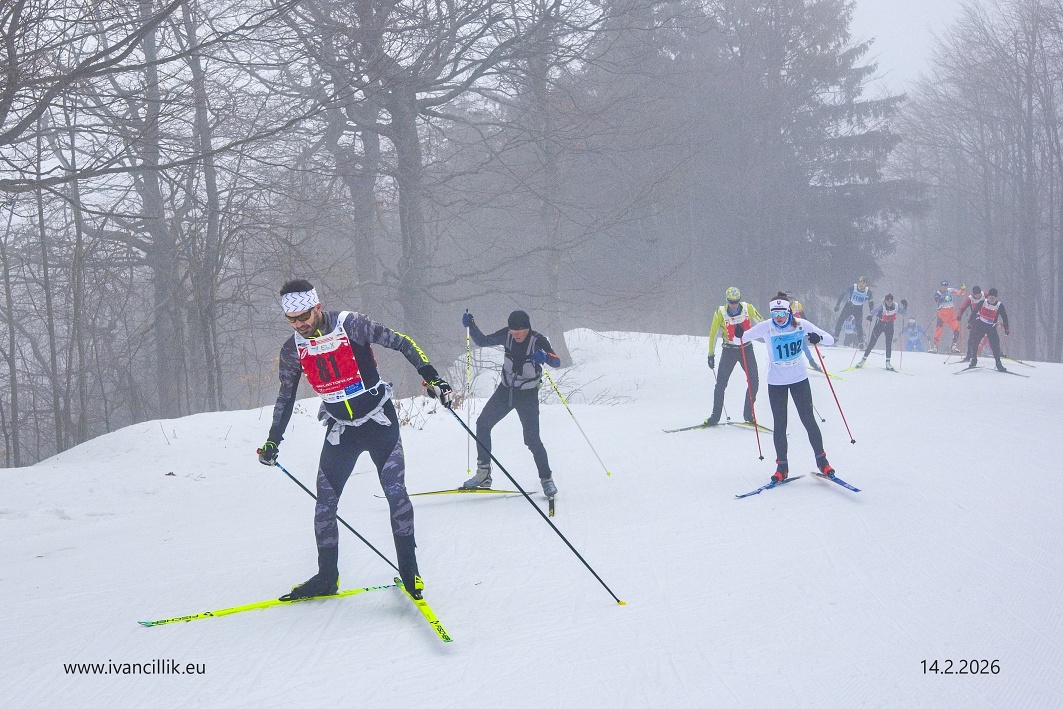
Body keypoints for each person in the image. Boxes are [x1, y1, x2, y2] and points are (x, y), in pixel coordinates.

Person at [258, 279, 453, 601]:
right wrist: (272, 441)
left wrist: (432, 376)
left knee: (396, 495)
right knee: (324, 504)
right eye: (291, 319)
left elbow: (402, 342)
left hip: (379, 422)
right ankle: (326, 577)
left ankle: (410, 573)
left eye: (304, 316)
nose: (299, 324)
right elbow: (285, 396)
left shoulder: (351, 324)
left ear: (317, 307)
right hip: (341, 430)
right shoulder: (292, 349)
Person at [735, 293, 838, 483]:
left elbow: (830, 339)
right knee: (780, 424)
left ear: (788, 311)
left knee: (808, 420)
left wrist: (818, 338)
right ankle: (782, 467)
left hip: (799, 380)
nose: (779, 318)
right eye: (775, 314)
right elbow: (738, 340)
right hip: (776, 383)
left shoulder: (800, 324)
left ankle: (823, 462)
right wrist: (739, 333)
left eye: (782, 313)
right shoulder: (766, 326)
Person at [460, 309, 562, 496]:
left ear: (527, 328)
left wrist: (545, 356)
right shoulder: (507, 335)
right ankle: (483, 474)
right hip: (505, 391)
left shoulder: (537, 340)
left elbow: (557, 362)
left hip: (527, 395)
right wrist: (472, 326)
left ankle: (547, 479)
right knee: (483, 424)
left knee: (532, 439)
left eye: (518, 332)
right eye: (513, 332)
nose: (515, 335)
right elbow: (483, 341)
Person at [705, 286, 763, 425]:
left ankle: (748, 414)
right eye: (731, 302)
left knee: (754, 381)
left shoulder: (748, 308)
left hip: (746, 349)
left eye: (736, 301)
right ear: (727, 300)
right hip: (729, 351)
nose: (734, 305)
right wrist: (710, 355)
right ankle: (715, 416)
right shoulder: (720, 312)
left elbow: (762, 323)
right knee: (721, 384)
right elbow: (713, 334)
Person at [855, 294, 907, 370]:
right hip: (879, 325)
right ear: (885, 301)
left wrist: (905, 306)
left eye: (890, 301)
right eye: (887, 301)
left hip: (889, 326)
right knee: (872, 343)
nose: (889, 302)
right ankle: (863, 360)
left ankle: (888, 363)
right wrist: (870, 316)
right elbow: (875, 310)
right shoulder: (881, 305)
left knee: (888, 344)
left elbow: (904, 313)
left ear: (892, 301)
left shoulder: (896, 306)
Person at [967, 288, 1010, 372]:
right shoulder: (983, 302)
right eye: (990, 297)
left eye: (993, 297)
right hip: (980, 325)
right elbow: (974, 312)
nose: (991, 299)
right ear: (988, 297)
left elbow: (1004, 317)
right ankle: (974, 360)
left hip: (991, 328)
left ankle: (998, 364)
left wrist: (1006, 328)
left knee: (995, 345)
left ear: (996, 297)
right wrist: (970, 322)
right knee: (975, 342)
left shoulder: (999, 306)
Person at [832, 276, 873, 346]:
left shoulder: (868, 292)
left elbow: (871, 303)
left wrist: (871, 314)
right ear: (858, 282)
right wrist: (837, 305)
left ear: (866, 284)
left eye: (863, 283)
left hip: (858, 309)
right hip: (849, 306)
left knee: (858, 325)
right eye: (860, 282)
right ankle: (835, 339)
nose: (861, 284)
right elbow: (842, 294)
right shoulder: (853, 287)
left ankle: (861, 344)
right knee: (840, 321)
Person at [932, 280, 966, 353]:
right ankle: (935, 347)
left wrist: (963, 289)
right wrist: (943, 298)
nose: (944, 288)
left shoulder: (950, 290)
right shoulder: (938, 294)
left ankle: (954, 346)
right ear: (940, 286)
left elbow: (960, 293)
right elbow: (937, 300)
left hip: (951, 315)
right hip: (942, 315)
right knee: (938, 331)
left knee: (957, 329)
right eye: (943, 286)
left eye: (946, 286)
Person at [790, 300, 823, 373]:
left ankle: (811, 362)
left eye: (790, 298)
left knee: (804, 347)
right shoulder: (784, 306)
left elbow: (803, 316)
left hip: (798, 330)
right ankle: (793, 363)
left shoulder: (797, 305)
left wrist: (808, 326)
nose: (789, 300)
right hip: (789, 331)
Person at [957, 286, 986, 363]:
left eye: (979, 294)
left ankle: (998, 354)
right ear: (973, 294)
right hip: (975, 317)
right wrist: (959, 316)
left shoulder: (984, 295)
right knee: (972, 337)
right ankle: (969, 355)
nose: (978, 296)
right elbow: (962, 307)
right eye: (976, 295)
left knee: (990, 336)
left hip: (986, 317)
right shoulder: (970, 298)